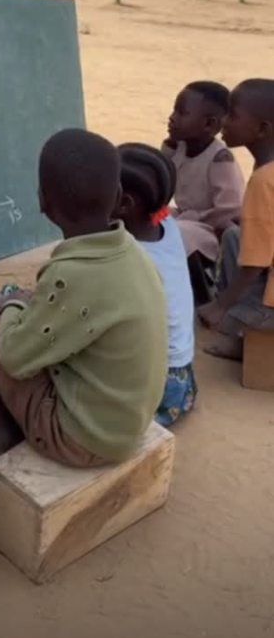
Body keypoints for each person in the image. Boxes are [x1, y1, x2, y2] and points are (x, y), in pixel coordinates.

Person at [0, 128, 168, 465]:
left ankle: (2, 433)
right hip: (122, 424)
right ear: (118, 194)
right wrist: (18, 304)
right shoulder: (130, 251)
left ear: (43, 200)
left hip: (84, 441)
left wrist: (16, 303)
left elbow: (13, 357)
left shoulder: (71, 274)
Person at [117, 143, 197, 427]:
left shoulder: (131, 257)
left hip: (157, 384)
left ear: (124, 204)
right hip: (182, 379)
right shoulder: (166, 223)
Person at [199, 79, 274, 360]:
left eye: (233, 115)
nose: (224, 121)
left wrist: (220, 306)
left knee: (223, 320)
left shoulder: (264, 180)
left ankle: (243, 334)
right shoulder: (267, 165)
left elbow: (256, 262)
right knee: (233, 234)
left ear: (262, 129)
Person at [162, 81, 245, 267]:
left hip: (210, 229)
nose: (172, 118)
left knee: (179, 233)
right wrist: (169, 145)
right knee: (149, 219)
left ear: (209, 124)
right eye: (174, 111)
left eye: (182, 113)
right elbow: (161, 178)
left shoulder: (220, 158)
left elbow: (230, 210)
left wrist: (195, 217)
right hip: (183, 217)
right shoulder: (179, 147)